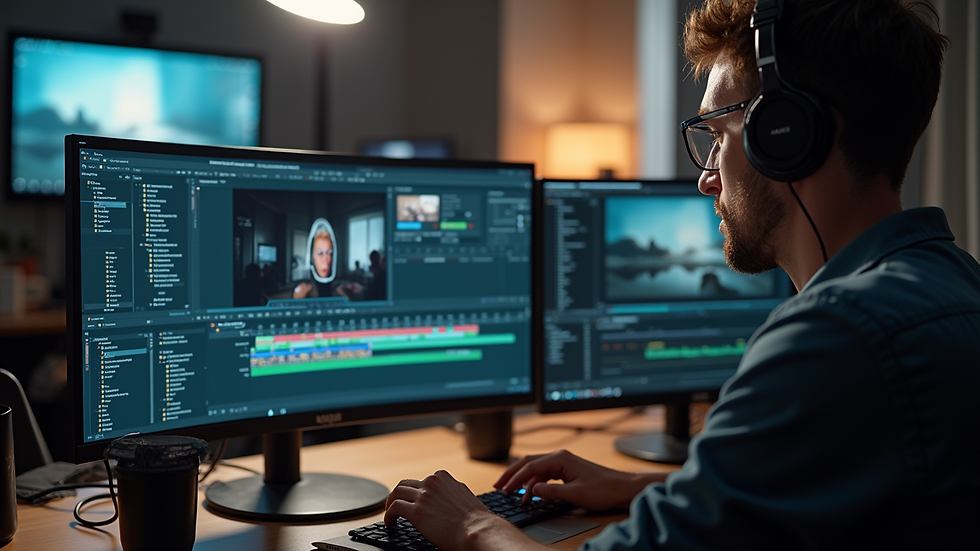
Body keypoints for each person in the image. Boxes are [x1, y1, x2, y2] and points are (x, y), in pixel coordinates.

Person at [382, 0, 980, 549]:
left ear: (789, 134)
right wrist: (647, 488)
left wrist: (472, 523)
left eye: (718, 136)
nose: (707, 177)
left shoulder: (836, 337)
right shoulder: (954, 284)